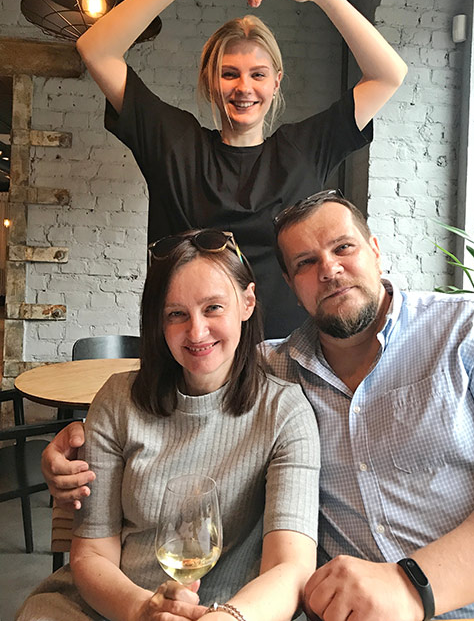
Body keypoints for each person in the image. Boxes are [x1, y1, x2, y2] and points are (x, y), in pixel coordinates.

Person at [44, 191, 474, 620]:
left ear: (376, 250)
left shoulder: (470, 330)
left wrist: (412, 586)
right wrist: (75, 441)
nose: (330, 270)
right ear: (291, 286)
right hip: (341, 610)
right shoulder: (276, 368)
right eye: (305, 263)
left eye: (344, 247)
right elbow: (199, 377)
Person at [76, 0, 407, 338]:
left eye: (258, 75)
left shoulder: (303, 148)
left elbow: (387, 75)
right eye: (229, 74)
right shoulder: (176, 144)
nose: (244, 88)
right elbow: (95, 50)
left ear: (276, 82)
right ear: (210, 81)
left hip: (286, 364)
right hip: (191, 358)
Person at [18, 229, 319, 621]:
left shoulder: (284, 411)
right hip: (115, 604)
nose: (196, 332)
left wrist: (229, 617)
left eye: (213, 308)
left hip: (238, 611)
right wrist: (143, 609)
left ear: (247, 302)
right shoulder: (118, 399)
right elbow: (92, 552)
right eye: (176, 314)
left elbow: (290, 566)